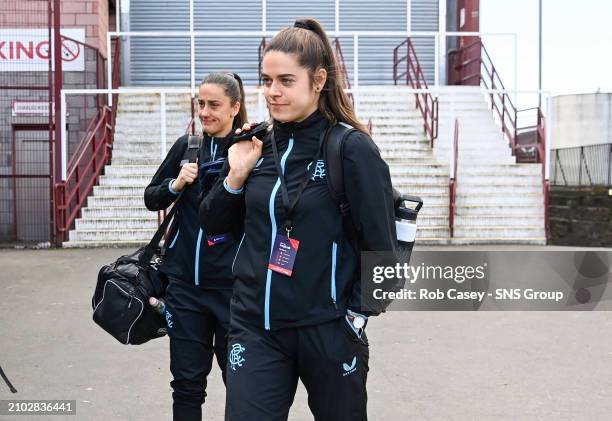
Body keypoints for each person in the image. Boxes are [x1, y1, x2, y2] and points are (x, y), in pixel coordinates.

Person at [199, 18, 399, 421]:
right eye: (267, 80)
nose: (273, 91)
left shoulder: (351, 149)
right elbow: (213, 224)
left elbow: (383, 249)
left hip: (327, 329)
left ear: (318, 79)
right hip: (255, 327)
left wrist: (355, 317)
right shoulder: (253, 144)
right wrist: (235, 176)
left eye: (286, 80)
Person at [144, 72, 247, 421]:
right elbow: (151, 197)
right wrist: (175, 184)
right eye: (200, 103)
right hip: (185, 289)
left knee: (243, 384)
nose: (204, 111)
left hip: (233, 291)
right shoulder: (186, 147)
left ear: (235, 106)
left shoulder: (251, 151)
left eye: (214, 104)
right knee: (186, 385)